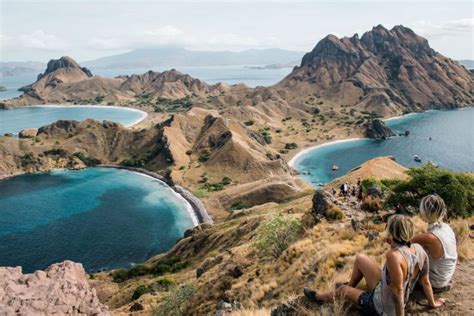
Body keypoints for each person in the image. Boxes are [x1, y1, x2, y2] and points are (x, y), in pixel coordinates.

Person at [304, 215, 444, 316]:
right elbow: (426, 281)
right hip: (384, 291)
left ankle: (319, 297)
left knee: (342, 290)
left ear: (392, 233)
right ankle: (351, 287)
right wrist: (432, 303)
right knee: (360, 259)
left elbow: (398, 291)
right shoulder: (419, 249)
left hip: (381, 307)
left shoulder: (393, 256)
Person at [411, 195, 457, 291]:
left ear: (425, 212)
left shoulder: (430, 237)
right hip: (445, 277)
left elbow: (404, 241)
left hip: (435, 282)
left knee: (410, 249)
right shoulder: (447, 228)